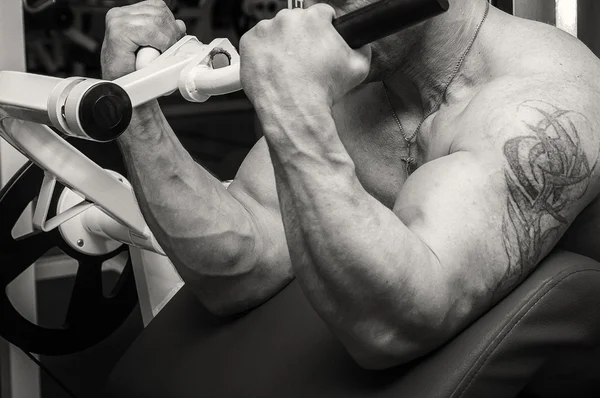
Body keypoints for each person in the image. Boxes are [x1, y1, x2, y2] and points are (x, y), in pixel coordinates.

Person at [101, 0, 600, 369]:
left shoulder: (544, 104)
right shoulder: (361, 96)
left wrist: (289, 98)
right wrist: (131, 107)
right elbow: (237, 269)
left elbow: (393, 329)